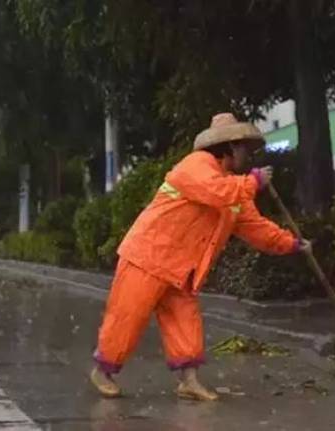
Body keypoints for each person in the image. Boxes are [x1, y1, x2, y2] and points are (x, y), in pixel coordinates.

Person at [90, 113, 312, 401]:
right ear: (230, 147)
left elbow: (257, 229)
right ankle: (102, 371)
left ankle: (189, 382)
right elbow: (216, 192)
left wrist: (292, 244)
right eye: (245, 149)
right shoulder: (196, 166)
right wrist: (253, 182)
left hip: (181, 269)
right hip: (148, 255)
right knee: (127, 317)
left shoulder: (234, 189)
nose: (249, 156)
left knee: (186, 322)